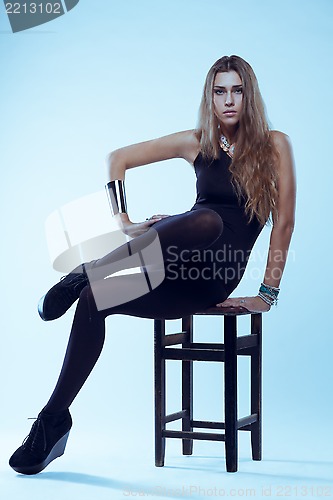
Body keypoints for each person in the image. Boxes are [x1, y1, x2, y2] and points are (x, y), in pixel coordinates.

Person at [9, 55, 296, 475]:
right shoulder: (196, 141)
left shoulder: (275, 144)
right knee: (93, 301)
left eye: (237, 90)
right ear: (210, 96)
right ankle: (53, 421)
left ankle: (90, 268)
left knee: (205, 218)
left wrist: (267, 295)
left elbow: (284, 223)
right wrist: (125, 222)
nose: (229, 100)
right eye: (220, 91)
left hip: (214, 274)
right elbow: (117, 158)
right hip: (173, 263)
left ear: (249, 95)